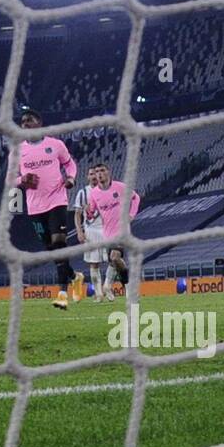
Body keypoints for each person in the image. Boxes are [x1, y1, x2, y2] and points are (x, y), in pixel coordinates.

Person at [15, 108, 77, 310]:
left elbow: (69, 164)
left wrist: (70, 178)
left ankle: (62, 293)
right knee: (50, 249)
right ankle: (75, 276)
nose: (25, 124)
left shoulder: (55, 145)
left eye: (29, 120)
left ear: (39, 122)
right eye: (22, 121)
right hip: (34, 207)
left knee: (59, 243)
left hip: (57, 200)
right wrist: (21, 180)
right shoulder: (17, 151)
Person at [87, 163, 141, 297]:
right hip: (107, 233)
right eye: (97, 171)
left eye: (102, 171)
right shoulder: (94, 193)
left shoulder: (120, 187)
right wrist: (88, 213)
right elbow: (92, 212)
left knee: (114, 257)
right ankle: (127, 284)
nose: (99, 174)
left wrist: (131, 214)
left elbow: (135, 198)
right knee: (115, 262)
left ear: (108, 172)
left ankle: (127, 287)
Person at [73, 166, 107, 302]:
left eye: (96, 173)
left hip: (106, 230)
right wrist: (79, 231)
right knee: (94, 264)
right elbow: (77, 214)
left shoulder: (107, 190)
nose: (94, 176)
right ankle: (99, 293)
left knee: (114, 260)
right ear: (88, 177)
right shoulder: (82, 193)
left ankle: (107, 288)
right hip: (91, 231)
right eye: (91, 174)